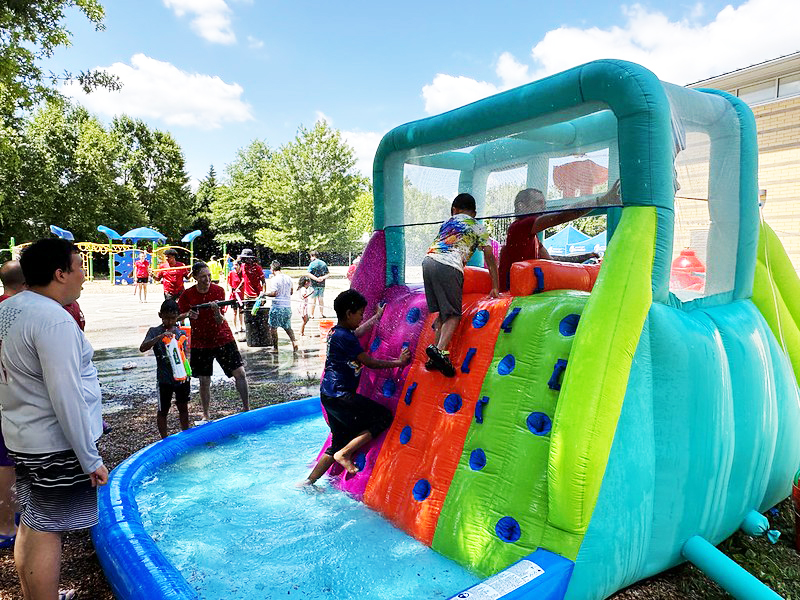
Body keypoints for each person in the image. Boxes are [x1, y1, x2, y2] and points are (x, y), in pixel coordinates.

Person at [0, 239, 108, 600]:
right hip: (55, 444)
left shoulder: (9, 309)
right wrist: (89, 457)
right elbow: (67, 395)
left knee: (31, 522)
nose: (83, 276)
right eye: (78, 267)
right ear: (60, 273)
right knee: (49, 529)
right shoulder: (53, 320)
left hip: (23, 437)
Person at [300, 290, 410, 486]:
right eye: (360, 314)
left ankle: (309, 482)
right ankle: (346, 453)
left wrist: (376, 318)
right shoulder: (345, 337)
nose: (361, 318)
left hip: (329, 395)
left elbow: (357, 332)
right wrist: (399, 362)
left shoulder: (336, 332)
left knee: (338, 439)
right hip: (342, 394)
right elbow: (371, 363)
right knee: (383, 416)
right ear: (349, 313)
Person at [422, 193, 499, 377]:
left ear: (454, 210)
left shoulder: (448, 223)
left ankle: (433, 358)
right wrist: (495, 285)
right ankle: (439, 351)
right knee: (454, 315)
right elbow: (490, 257)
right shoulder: (478, 227)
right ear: (474, 212)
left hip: (428, 261)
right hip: (449, 266)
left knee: (443, 313)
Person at [497, 182, 620, 292]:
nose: (543, 208)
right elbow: (561, 216)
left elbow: (551, 260)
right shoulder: (518, 228)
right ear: (521, 206)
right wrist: (601, 200)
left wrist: (584, 257)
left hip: (520, 293)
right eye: (538, 203)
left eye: (544, 204)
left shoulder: (531, 237)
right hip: (510, 295)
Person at [178, 262, 249, 424]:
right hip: (200, 342)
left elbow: (220, 320)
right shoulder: (187, 295)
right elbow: (176, 316)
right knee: (204, 380)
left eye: (209, 276)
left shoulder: (218, 291)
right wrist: (188, 315)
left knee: (240, 373)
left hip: (223, 337)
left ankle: (246, 408)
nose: (207, 279)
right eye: (203, 276)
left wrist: (216, 311)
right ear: (195, 277)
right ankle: (206, 415)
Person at [0, 260, 25, 550]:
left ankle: (14, 514)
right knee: (6, 462)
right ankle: (7, 525)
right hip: (10, 397)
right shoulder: (15, 311)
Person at [139, 299, 191, 438]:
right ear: (160, 315)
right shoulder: (154, 331)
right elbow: (143, 347)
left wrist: (188, 371)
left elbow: (186, 354)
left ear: (177, 317)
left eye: (173, 318)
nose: (169, 321)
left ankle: (186, 434)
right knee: (163, 410)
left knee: (183, 407)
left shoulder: (181, 332)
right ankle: (164, 438)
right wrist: (160, 337)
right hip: (164, 379)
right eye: (166, 318)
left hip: (182, 378)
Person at [265, 261, 298, 353]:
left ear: (272, 269)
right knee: (287, 327)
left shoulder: (275, 279)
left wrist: (264, 294)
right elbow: (291, 292)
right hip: (287, 307)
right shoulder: (288, 278)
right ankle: (294, 342)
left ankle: (275, 348)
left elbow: (274, 293)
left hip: (277, 307)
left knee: (273, 328)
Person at [306, 250, 329, 319]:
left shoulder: (312, 264)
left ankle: (312, 314)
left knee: (313, 299)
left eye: (311, 257)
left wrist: (316, 279)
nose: (310, 259)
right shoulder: (323, 263)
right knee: (321, 299)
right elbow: (328, 274)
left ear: (313, 256)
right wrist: (322, 278)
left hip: (313, 284)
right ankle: (321, 313)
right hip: (322, 284)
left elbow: (308, 273)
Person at [226, 259, 244, 333]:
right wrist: (231, 291)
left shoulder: (242, 273)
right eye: (234, 265)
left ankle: (241, 326)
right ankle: (235, 327)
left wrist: (238, 288)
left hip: (241, 296)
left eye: (236, 265)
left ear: (240, 265)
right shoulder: (231, 273)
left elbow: (243, 281)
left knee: (241, 311)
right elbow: (229, 284)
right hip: (234, 296)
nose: (234, 266)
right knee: (234, 312)